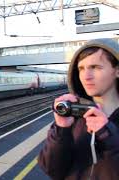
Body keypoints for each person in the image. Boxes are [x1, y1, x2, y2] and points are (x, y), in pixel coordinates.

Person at [38, 38, 119, 180]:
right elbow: (52, 170)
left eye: (95, 67)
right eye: (81, 68)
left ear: (117, 71)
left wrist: (108, 136)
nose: (86, 76)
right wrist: (61, 129)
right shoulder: (74, 115)